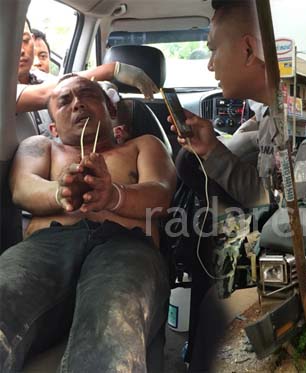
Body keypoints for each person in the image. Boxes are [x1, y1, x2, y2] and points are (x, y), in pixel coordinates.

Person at [0, 75, 176, 371]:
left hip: (126, 245)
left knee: (113, 324)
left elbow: (161, 193)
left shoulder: (143, 145)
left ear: (110, 109)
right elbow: (22, 187)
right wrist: (62, 191)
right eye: (64, 101)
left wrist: (113, 196)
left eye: (87, 94)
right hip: (46, 246)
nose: (77, 103)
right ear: (53, 125)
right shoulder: (41, 146)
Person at [168, 1, 278, 369]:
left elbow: (273, 204)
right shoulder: (265, 113)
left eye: (214, 49)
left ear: (248, 49)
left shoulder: (291, 118)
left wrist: (213, 150)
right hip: (248, 239)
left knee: (214, 312)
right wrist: (210, 146)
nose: (210, 64)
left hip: (273, 261)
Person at [17, 20, 158, 114]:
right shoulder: (5, 91)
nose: (21, 50)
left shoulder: (38, 77)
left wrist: (100, 89)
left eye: (24, 40)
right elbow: (53, 91)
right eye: (12, 41)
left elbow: (61, 82)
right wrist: (112, 69)